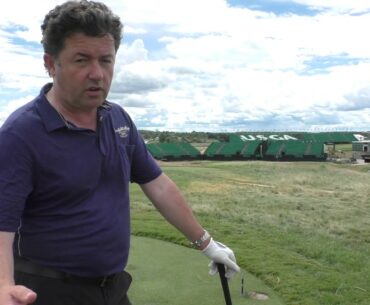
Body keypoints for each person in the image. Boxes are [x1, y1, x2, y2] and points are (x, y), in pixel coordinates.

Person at [0, 1, 240, 304]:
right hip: (48, 290)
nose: (97, 74)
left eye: (106, 60)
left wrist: (207, 243)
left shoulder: (118, 120)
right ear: (51, 63)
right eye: (81, 60)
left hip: (111, 289)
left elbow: (159, 185)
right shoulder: (20, 134)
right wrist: (3, 284)